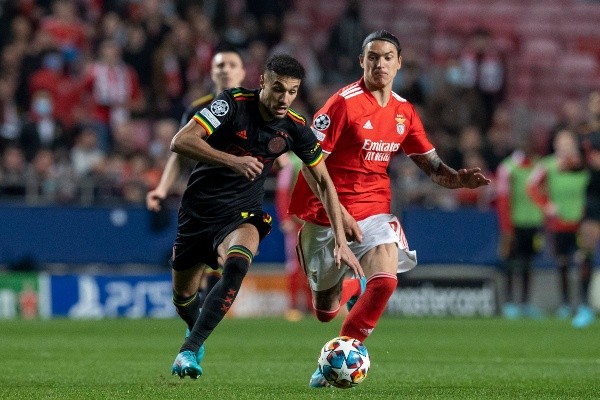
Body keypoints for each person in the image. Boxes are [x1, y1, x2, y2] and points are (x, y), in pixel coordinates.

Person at [287, 30, 491, 388]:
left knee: (384, 282)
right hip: (324, 215)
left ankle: (336, 359)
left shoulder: (404, 111)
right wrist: (340, 217)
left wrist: (457, 179)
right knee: (324, 312)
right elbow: (310, 164)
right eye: (372, 57)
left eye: (386, 57)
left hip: (374, 210)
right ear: (361, 62)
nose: (379, 63)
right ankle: (348, 292)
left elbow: (430, 166)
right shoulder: (342, 104)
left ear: (399, 62)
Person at [167, 54, 362, 379]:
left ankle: (188, 350)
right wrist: (232, 161)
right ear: (262, 83)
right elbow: (181, 140)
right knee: (183, 299)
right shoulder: (231, 103)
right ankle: (194, 330)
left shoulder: (295, 127)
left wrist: (341, 239)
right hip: (197, 213)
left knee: (238, 264)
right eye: (277, 89)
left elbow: (324, 183)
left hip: (242, 213)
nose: (284, 98)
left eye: (292, 91)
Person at [146, 47, 246, 351]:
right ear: (212, 73)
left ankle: (197, 333)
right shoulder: (198, 109)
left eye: (232, 64)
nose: (226, 69)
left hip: (239, 200)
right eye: (220, 65)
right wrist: (162, 189)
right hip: (202, 200)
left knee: (229, 258)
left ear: (243, 72)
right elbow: (179, 153)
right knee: (194, 275)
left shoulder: (254, 108)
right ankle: (196, 326)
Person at [526, 130, 589, 319]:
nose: (565, 146)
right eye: (561, 143)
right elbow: (531, 186)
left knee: (584, 260)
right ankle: (565, 304)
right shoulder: (548, 165)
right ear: (555, 145)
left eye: (568, 143)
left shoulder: (584, 165)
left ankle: (584, 303)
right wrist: (546, 206)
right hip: (559, 223)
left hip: (581, 223)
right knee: (562, 263)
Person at [496, 134, 544, 319]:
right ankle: (509, 303)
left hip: (533, 223)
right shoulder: (508, 168)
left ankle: (525, 303)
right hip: (514, 223)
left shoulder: (539, 167)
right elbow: (503, 199)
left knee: (528, 264)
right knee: (511, 264)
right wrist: (506, 227)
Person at [571, 89, 600, 328]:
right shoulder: (585, 134)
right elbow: (578, 163)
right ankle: (584, 306)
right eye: (594, 101)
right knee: (587, 251)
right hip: (593, 196)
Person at [274, 151, 313, 321]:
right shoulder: (290, 162)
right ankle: (293, 306)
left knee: (313, 265)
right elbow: (282, 192)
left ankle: (314, 308)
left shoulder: (312, 158)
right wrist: (285, 218)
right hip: (296, 221)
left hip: (312, 219)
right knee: (295, 264)